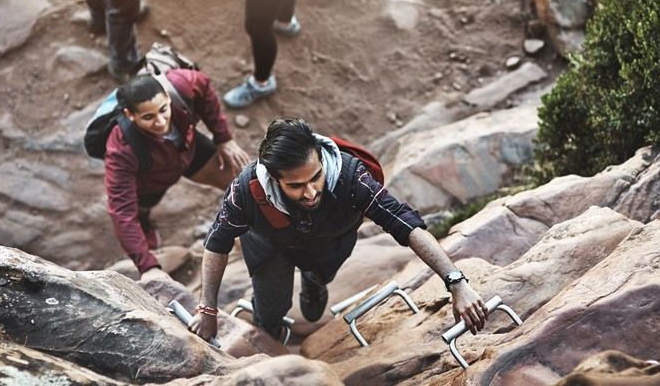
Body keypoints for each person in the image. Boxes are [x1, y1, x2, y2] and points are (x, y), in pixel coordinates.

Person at [189, 117, 488, 341]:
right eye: (295, 186)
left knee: (316, 295)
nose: (310, 193)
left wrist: (457, 282)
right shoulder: (246, 189)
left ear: (320, 158)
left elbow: (407, 224)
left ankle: (314, 281)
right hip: (271, 247)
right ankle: (272, 334)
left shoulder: (350, 178)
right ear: (274, 178)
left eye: (315, 178)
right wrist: (208, 309)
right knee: (270, 308)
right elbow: (217, 242)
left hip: (328, 244)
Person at [104, 69, 250, 281]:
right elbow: (121, 211)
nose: (161, 122)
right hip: (149, 177)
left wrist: (223, 138)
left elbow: (205, 88)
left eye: (164, 110)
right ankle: (146, 228)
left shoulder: (180, 86)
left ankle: (258, 226)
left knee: (238, 179)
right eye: (148, 117)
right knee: (139, 211)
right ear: (130, 115)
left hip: (188, 149)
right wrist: (148, 267)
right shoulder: (121, 149)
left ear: (166, 95)